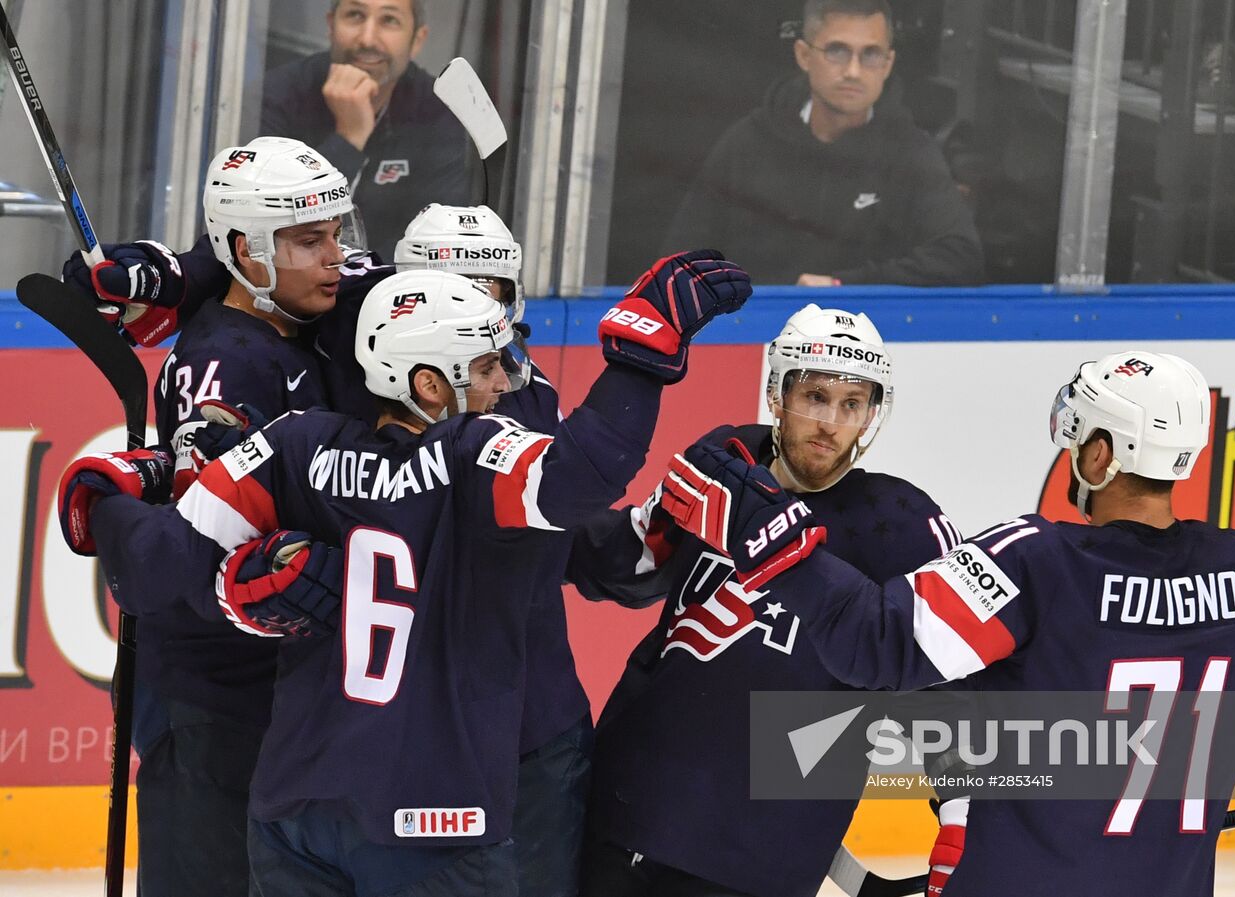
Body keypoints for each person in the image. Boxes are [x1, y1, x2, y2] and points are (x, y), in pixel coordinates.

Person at [57, 252, 751, 896]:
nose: (504, 382)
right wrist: (644, 344)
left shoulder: (293, 444)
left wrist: (114, 497)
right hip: (437, 825)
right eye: (484, 368)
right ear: (428, 383)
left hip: (298, 811)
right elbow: (585, 471)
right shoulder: (474, 458)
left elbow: (158, 566)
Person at [661, 350, 1235, 895]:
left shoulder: (1036, 562)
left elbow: (870, 645)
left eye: (1081, 437)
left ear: (1100, 454)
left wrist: (762, 525)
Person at [567, 305, 964, 897]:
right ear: (777, 395)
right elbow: (624, 568)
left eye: (851, 404)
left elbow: (951, 688)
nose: (830, 423)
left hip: (761, 849)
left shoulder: (903, 524)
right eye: (815, 396)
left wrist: (960, 815)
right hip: (634, 800)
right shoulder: (726, 461)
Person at [57, 134, 364, 897]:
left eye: (336, 233)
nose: (336, 257)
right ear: (246, 252)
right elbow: (206, 544)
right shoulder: (231, 362)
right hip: (212, 693)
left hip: (272, 686)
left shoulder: (292, 316)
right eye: (308, 240)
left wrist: (181, 269)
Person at [662, 0, 983, 287]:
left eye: (870, 54)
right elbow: (679, 267)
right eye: (837, 51)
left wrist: (844, 286)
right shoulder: (748, 142)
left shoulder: (912, 151)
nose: (853, 71)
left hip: (867, 340)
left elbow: (961, 260)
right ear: (804, 55)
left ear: (887, 64)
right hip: (757, 338)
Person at [261, 0, 473, 257]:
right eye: (355, 15)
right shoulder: (279, 94)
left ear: (417, 40)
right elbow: (273, 225)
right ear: (331, 25)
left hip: (394, 287)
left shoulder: (438, 111)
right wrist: (349, 138)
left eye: (389, 20)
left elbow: (438, 238)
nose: (368, 39)